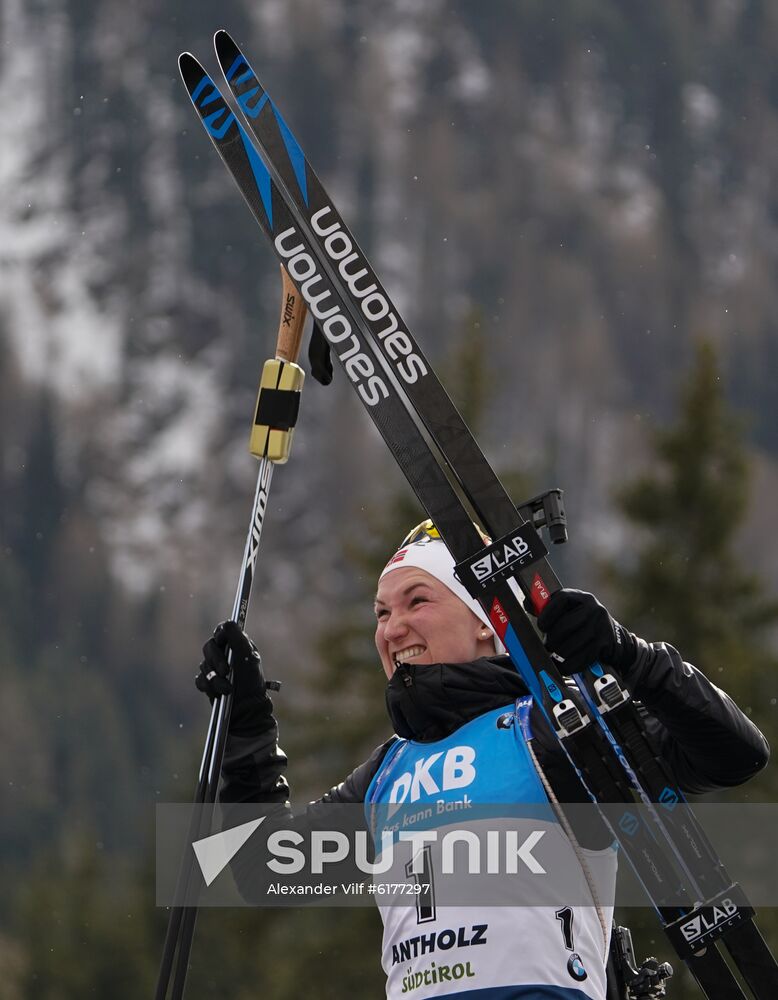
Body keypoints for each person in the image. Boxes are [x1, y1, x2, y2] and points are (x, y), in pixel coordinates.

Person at [197, 519, 769, 1000]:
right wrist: (247, 725)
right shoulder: (387, 772)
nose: (392, 629)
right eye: (380, 613)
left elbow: (733, 753)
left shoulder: (551, 726)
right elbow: (263, 870)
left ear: (485, 620)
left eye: (417, 601)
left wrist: (629, 654)